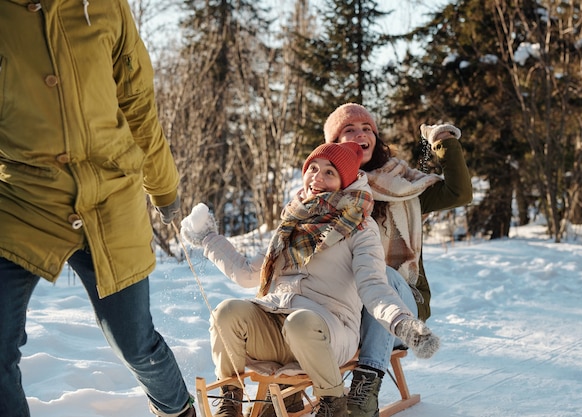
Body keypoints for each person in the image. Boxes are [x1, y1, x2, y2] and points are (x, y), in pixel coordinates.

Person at [0, 2, 194, 417]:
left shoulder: (105, 6)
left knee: (135, 343)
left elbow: (137, 102)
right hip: (21, 199)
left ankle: (178, 411)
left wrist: (163, 185)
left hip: (110, 195)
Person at [180, 142, 440, 417]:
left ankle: (332, 403)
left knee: (300, 322)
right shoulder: (292, 221)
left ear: (346, 181)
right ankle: (230, 401)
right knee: (226, 313)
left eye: (329, 172)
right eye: (313, 168)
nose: (317, 177)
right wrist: (208, 238)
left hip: (329, 330)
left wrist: (404, 324)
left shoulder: (360, 227)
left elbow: (374, 286)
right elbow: (247, 274)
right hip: (278, 321)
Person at [323, 103, 473, 417]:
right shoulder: (326, 192)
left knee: (384, 276)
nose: (360, 134)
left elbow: (459, 193)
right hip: (346, 309)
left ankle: (366, 386)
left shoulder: (403, 186)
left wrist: (443, 141)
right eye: (349, 130)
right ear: (334, 144)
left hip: (403, 301)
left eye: (367, 129)